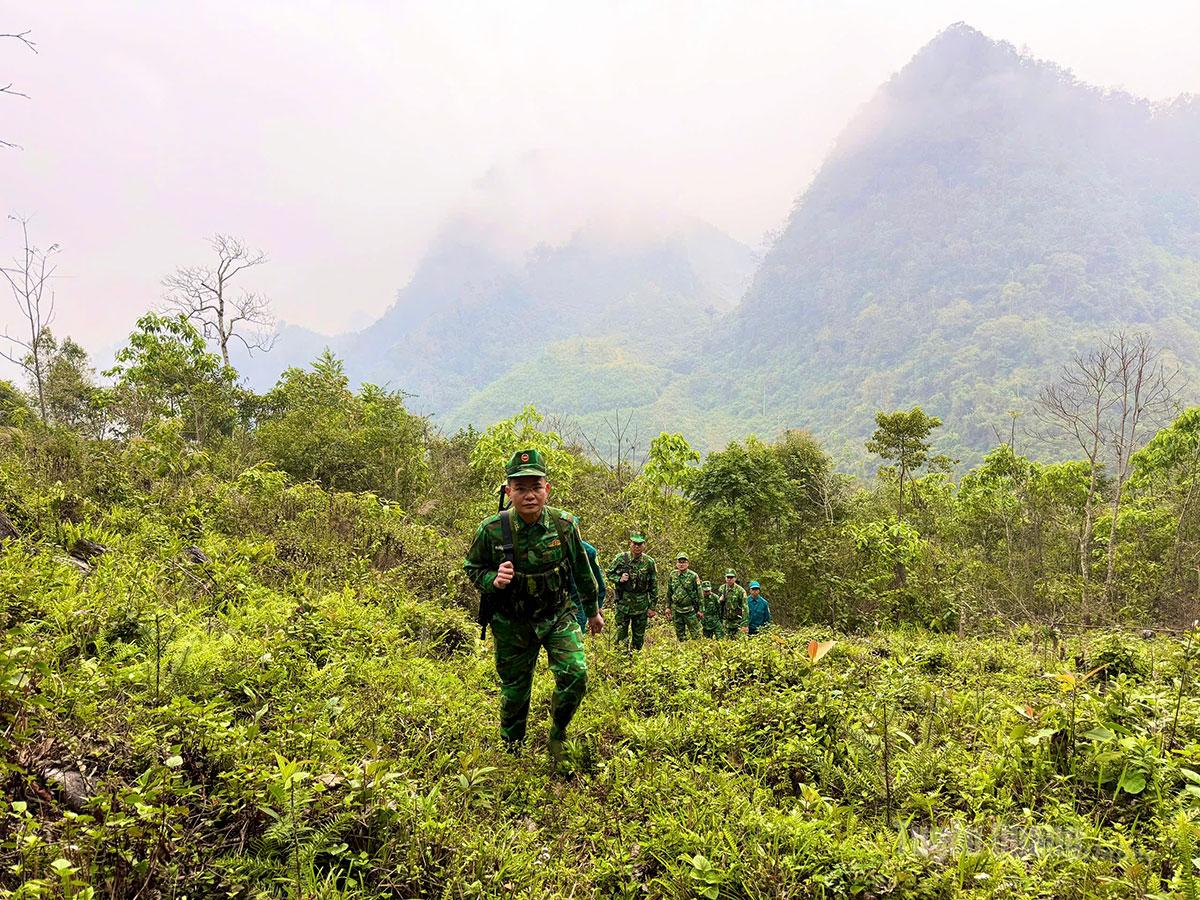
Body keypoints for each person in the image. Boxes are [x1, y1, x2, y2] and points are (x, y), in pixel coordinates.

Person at [464, 448, 603, 759]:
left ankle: (558, 733)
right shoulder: (491, 530)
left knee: (575, 674)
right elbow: (472, 568)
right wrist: (493, 580)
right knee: (515, 693)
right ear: (508, 491)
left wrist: (593, 612)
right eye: (521, 488)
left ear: (547, 489)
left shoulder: (564, 525)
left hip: (557, 615)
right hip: (512, 623)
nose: (530, 495)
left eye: (536, 487)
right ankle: (512, 750)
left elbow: (582, 570)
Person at [606, 532, 658, 651]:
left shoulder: (649, 562)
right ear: (630, 543)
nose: (637, 546)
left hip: (641, 605)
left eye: (640, 544)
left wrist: (652, 607)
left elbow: (654, 585)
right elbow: (609, 573)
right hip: (623, 604)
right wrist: (619, 579)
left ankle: (635, 661)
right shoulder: (621, 558)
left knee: (638, 637)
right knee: (621, 635)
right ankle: (622, 660)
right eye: (634, 543)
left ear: (644, 545)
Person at [665, 553, 702, 642]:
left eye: (684, 562)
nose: (681, 564)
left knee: (696, 634)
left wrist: (701, 610)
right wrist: (668, 607)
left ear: (688, 563)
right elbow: (669, 592)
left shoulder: (693, 576)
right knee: (680, 635)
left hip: (690, 609)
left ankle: (698, 652)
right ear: (676, 563)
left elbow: (700, 594)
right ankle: (683, 653)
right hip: (676, 609)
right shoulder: (672, 575)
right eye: (679, 562)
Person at [571, 539, 605, 633]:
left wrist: (597, 606)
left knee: (575, 639)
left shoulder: (588, 551)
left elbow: (598, 581)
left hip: (577, 603)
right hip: (551, 603)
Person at [718, 569, 748, 639]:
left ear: (735, 578)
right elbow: (718, 606)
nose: (729, 579)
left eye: (731, 577)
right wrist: (720, 601)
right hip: (726, 622)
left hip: (737, 622)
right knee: (725, 644)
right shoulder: (722, 589)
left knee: (739, 643)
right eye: (728, 577)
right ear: (725, 578)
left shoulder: (741, 591)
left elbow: (745, 608)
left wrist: (745, 624)